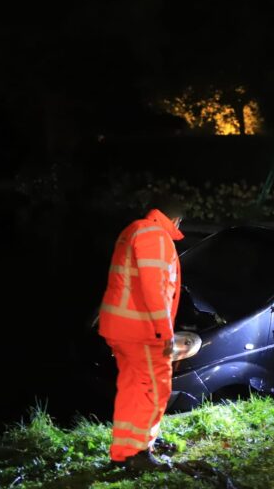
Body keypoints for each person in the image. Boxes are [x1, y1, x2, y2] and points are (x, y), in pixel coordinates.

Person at [98, 196, 185, 470]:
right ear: (176, 220)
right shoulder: (156, 236)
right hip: (141, 330)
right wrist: (166, 333)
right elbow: (154, 289)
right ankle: (139, 453)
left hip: (121, 327)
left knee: (132, 389)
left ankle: (123, 451)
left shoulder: (133, 230)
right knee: (155, 389)